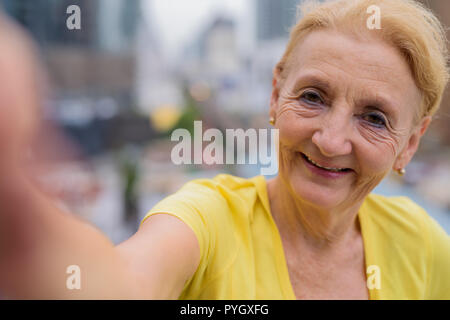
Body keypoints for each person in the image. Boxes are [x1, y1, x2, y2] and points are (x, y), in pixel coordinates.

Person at [0, 0, 449, 300]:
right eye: (313, 97)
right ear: (275, 96)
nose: (331, 141)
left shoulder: (423, 244)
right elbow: (122, 284)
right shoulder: (208, 219)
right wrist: (20, 217)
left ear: (409, 144)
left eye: (374, 118)